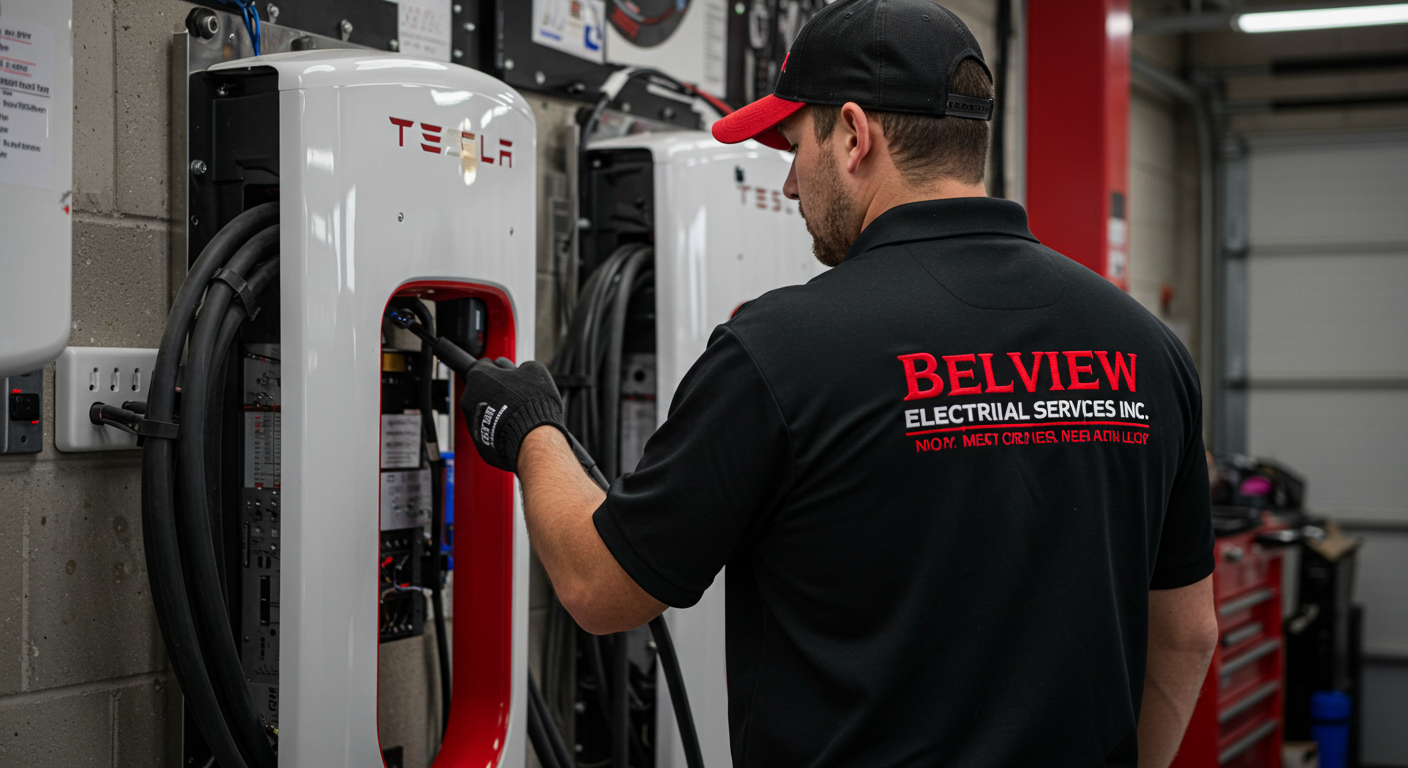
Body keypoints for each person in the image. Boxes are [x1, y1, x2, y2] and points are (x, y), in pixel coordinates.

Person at [458, 1, 1219, 766]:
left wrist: (530, 430)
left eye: (794, 145)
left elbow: (600, 587)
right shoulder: (1148, 350)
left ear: (855, 135)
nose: (789, 185)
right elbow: (1188, 636)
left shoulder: (783, 350)